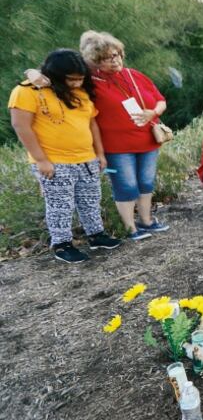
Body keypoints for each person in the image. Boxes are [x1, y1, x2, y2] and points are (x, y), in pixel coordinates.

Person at [26, 31, 170, 241]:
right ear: (93, 62)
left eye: (116, 55)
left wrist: (153, 112)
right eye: (105, 58)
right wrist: (32, 73)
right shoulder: (88, 81)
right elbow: (54, 71)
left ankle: (146, 220)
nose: (114, 60)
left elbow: (160, 99)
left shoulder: (133, 75)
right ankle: (130, 228)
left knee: (146, 182)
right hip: (116, 146)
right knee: (126, 185)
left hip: (147, 140)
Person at [9, 49, 121, 263]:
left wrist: (99, 153)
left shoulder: (81, 92)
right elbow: (21, 126)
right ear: (56, 75)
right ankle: (62, 245)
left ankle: (96, 235)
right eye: (71, 79)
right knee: (60, 206)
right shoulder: (27, 90)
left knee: (91, 200)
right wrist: (41, 160)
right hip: (54, 161)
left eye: (80, 79)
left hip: (86, 158)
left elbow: (92, 124)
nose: (77, 83)